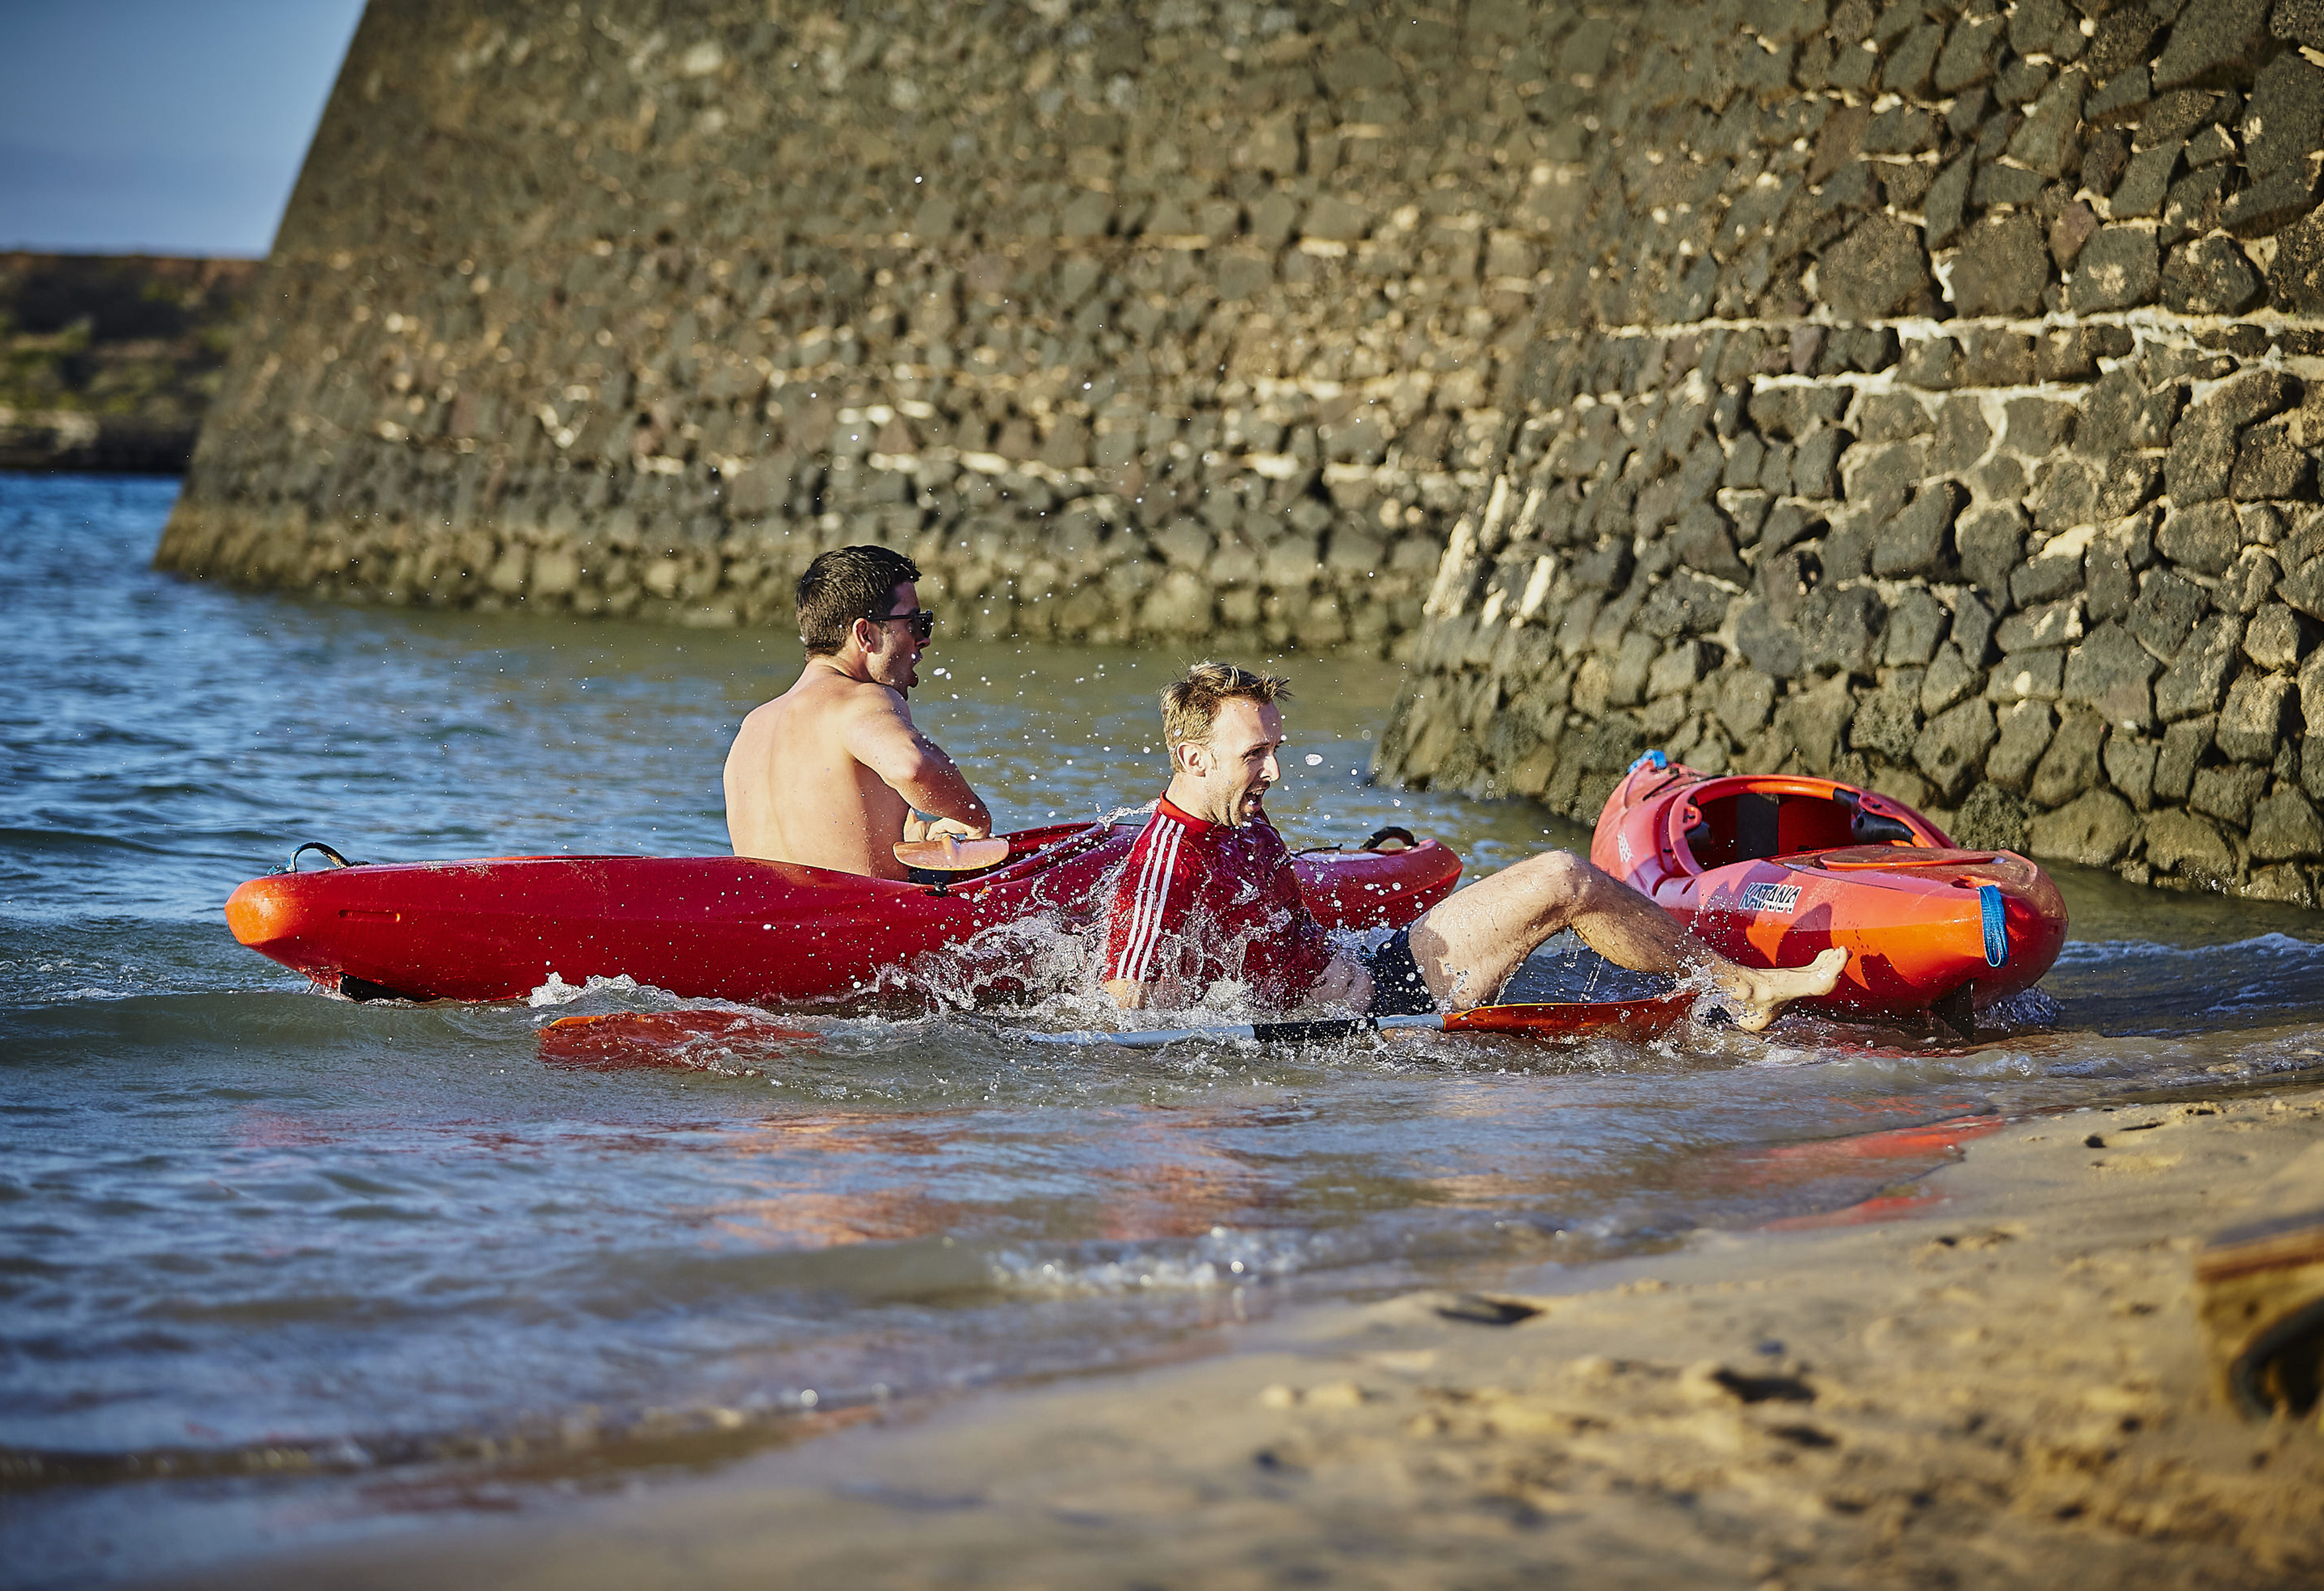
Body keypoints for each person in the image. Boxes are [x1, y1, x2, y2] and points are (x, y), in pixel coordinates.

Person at [1100, 662, 1846, 1030]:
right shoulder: (1166, 859)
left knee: (1562, 882)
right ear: (1192, 758)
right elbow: (1121, 1006)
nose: (1276, 770)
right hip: (1370, 1019)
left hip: (1378, 969)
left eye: (1274, 749)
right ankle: (1741, 988)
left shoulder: (1239, 815)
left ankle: (1726, 984)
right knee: (1561, 877)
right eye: (1255, 755)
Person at [724, 544, 991, 880]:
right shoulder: (861, 700)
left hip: (771, 923)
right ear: (865, 634)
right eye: (915, 623)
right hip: (861, 925)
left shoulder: (752, 727)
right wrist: (972, 816)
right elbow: (910, 766)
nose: (923, 640)